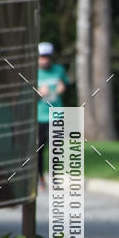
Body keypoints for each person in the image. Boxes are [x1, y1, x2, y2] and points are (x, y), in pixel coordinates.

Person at [37, 41, 69, 190]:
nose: (45, 60)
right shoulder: (33, 73)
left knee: (56, 148)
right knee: (39, 149)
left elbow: (65, 84)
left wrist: (62, 87)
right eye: (42, 57)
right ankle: (40, 177)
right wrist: (38, 93)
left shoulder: (59, 70)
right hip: (39, 116)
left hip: (56, 114)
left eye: (47, 57)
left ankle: (55, 178)